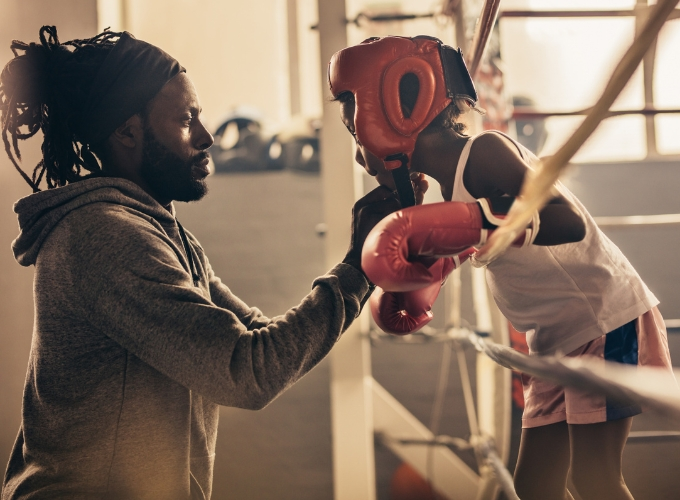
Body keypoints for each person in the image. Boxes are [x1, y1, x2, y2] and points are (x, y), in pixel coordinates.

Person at [0, 26, 402, 499]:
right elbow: (249, 373)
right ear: (127, 132)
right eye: (187, 119)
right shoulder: (106, 236)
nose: (208, 137)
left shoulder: (158, 232)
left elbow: (257, 343)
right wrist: (357, 268)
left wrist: (360, 265)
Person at [329, 36, 673, 500]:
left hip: (601, 320)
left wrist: (473, 223)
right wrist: (423, 268)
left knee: (594, 481)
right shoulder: (448, 191)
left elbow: (563, 221)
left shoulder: (485, 152)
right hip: (552, 343)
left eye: (354, 118)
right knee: (536, 489)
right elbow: (477, 236)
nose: (355, 138)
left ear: (398, 104)